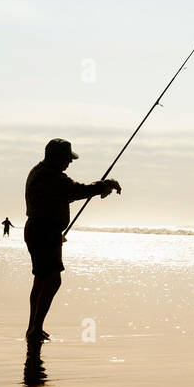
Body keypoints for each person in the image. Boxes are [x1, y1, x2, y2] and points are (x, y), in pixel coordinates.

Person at [23, 139, 120, 342]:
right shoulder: (52, 177)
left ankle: (34, 327)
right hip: (44, 232)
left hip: (39, 230)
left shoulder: (38, 171)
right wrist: (105, 184)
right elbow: (79, 190)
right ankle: (35, 329)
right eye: (67, 158)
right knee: (52, 280)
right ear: (56, 157)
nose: (69, 162)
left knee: (41, 279)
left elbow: (65, 195)